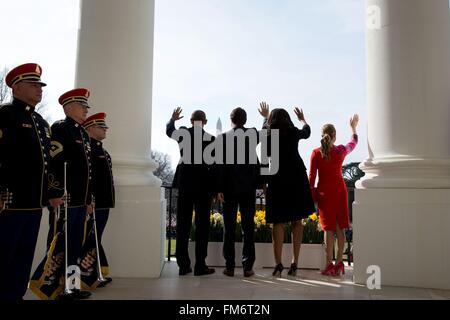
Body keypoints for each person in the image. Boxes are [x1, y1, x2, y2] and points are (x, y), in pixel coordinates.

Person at [0, 63, 51, 300]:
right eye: (34, 85)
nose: (39, 89)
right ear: (17, 88)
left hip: (33, 203)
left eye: (40, 85)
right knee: (4, 256)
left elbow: (46, 164)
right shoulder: (5, 115)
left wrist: (50, 194)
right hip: (8, 203)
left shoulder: (41, 123)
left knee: (23, 258)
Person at [46, 88, 94, 299]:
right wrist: (55, 192)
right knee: (59, 245)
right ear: (68, 107)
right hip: (66, 199)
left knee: (75, 245)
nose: (85, 110)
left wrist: (89, 200)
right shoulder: (60, 128)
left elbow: (88, 170)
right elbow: (55, 164)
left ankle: (72, 286)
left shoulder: (82, 133)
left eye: (85, 106)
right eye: (82, 106)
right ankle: (54, 287)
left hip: (81, 201)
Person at [258, 102, 315, 277]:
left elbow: (265, 160)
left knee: (278, 222)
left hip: (277, 178)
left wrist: (263, 183)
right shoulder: (293, 132)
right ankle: (294, 262)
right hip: (297, 177)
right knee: (297, 221)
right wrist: (303, 119)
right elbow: (307, 132)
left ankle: (278, 263)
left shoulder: (268, 135)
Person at [166, 107, 216, 276]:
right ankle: (200, 265)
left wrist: (172, 119)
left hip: (185, 184)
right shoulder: (211, 139)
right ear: (205, 122)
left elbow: (169, 131)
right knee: (202, 228)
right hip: (204, 186)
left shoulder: (183, 133)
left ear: (190, 121)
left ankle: (183, 265)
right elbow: (215, 166)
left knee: (183, 226)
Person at [309, 115, 359, 276]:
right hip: (340, 192)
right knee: (340, 228)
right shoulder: (340, 151)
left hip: (325, 194)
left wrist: (312, 196)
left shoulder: (316, 154)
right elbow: (353, 144)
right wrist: (353, 129)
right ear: (335, 136)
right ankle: (339, 264)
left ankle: (328, 264)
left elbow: (311, 178)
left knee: (328, 230)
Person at [217, 107, 260, 277]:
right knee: (248, 228)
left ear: (231, 119)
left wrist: (219, 187)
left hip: (229, 187)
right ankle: (247, 266)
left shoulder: (223, 138)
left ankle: (229, 266)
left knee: (229, 227)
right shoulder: (252, 134)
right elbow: (264, 132)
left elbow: (220, 164)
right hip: (248, 187)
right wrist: (265, 118)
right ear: (245, 120)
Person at [81, 112, 115, 287]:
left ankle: (95, 274)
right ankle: (88, 276)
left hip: (103, 203)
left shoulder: (101, 150)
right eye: (102, 127)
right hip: (95, 203)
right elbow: (89, 178)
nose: (105, 130)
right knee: (91, 239)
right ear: (90, 128)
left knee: (95, 239)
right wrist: (89, 200)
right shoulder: (89, 150)